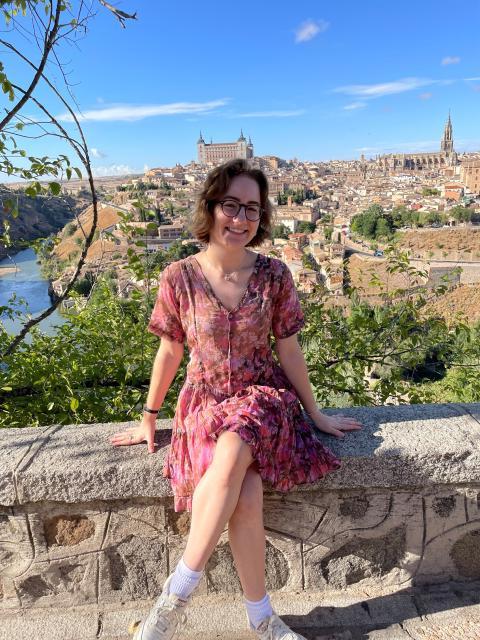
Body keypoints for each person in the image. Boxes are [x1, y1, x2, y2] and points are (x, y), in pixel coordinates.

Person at [111, 159, 362, 640]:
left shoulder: (274, 275)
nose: (241, 218)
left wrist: (316, 413)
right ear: (211, 207)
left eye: (252, 208)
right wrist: (149, 415)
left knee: (232, 448)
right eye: (232, 205)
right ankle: (262, 618)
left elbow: (288, 349)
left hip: (262, 399)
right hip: (204, 403)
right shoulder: (178, 277)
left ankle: (176, 596)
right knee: (244, 493)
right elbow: (170, 350)